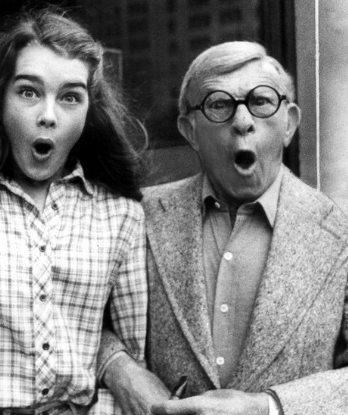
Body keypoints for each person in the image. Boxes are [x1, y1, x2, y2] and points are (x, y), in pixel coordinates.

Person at [0, 7, 148, 415]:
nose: (48, 115)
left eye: (70, 97)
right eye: (28, 92)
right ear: (0, 101)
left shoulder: (121, 215)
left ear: (89, 112)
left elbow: (127, 364)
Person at [98, 41, 348, 415]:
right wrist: (118, 367)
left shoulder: (340, 234)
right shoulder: (138, 216)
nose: (242, 121)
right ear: (190, 130)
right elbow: (72, 315)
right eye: (219, 104)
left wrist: (268, 407)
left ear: (290, 123)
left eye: (261, 101)